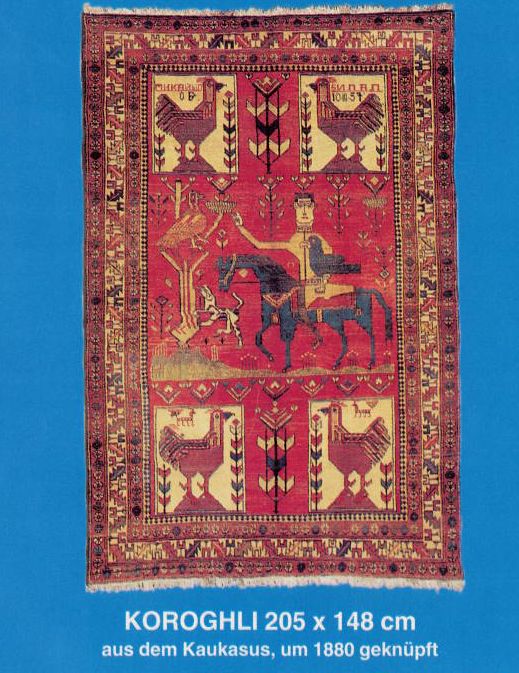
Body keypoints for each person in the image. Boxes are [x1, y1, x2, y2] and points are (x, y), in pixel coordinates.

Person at [232, 192, 359, 310]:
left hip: (320, 289)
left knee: (351, 291)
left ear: (313, 209)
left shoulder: (319, 239)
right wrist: (240, 227)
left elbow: (330, 265)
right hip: (300, 290)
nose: (304, 211)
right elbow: (259, 245)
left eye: (308, 206)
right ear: (295, 209)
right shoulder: (293, 240)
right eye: (300, 207)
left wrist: (324, 279)